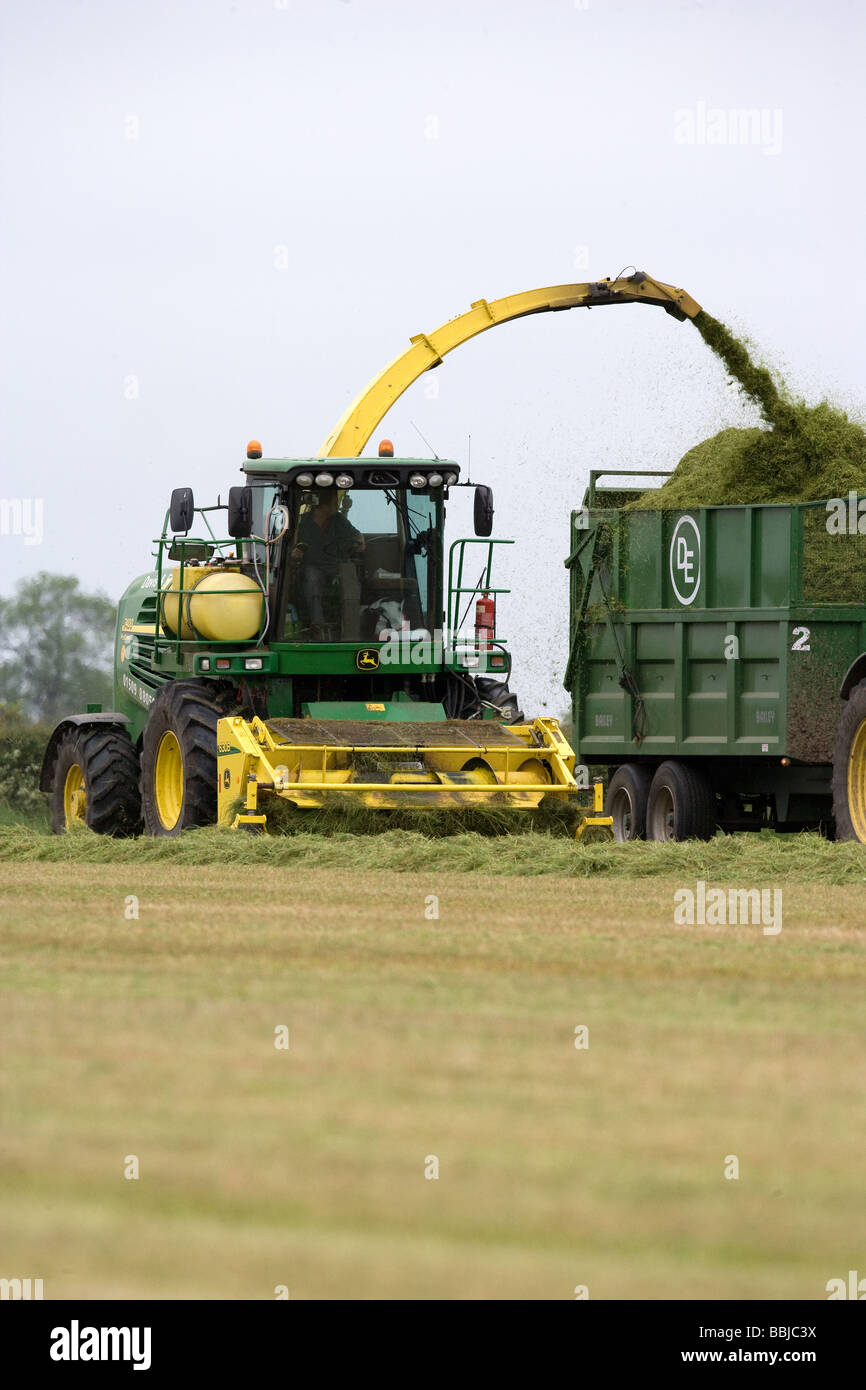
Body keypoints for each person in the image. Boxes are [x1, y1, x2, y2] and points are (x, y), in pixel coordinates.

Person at [291, 492, 365, 637]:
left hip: (337, 565)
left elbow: (357, 536)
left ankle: (351, 629)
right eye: (335, 502)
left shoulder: (338, 520)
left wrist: (359, 542)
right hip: (312, 565)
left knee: (349, 574)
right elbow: (291, 549)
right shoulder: (302, 523)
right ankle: (318, 626)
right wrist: (295, 553)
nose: (337, 505)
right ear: (323, 505)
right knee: (312, 577)